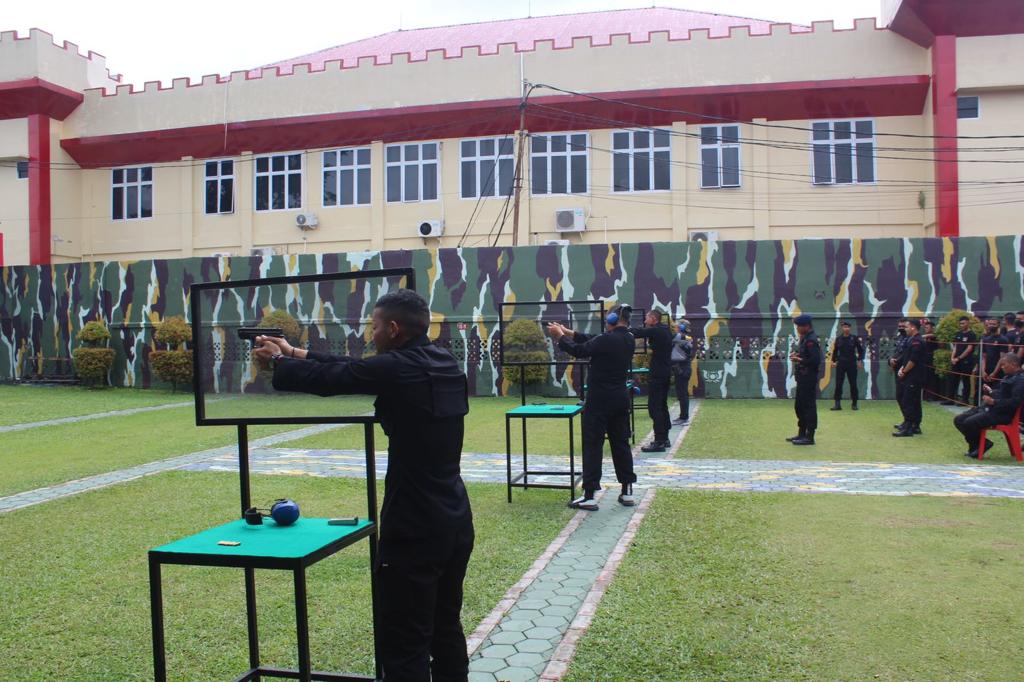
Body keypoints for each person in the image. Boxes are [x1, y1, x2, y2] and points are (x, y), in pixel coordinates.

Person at [253, 289, 474, 682]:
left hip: (414, 524)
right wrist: (296, 352)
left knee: (405, 642)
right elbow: (357, 367)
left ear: (392, 329)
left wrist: (278, 362)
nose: (371, 334)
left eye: (374, 327)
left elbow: (336, 377)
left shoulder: (399, 369)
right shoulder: (443, 360)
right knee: (445, 628)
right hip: (455, 519)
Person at [547, 305, 637, 510]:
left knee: (593, 445)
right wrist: (568, 332)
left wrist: (560, 337)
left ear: (613, 319)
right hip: (620, 399)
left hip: (599, 401)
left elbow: (580, 350)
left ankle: (589, 495)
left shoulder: (606, 339)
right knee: (621, 444)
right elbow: (592, 339)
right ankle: (627, 490)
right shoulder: (628, 338)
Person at [954, 353, 1024, 458]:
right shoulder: (1008, 376)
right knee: (959, 419)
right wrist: (991, 392)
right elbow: (1002, 393)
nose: (1002, 367)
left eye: (1004, 364)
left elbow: (1015, 402)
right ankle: (977, 445)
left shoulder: (1020, 380)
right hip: (992, 408)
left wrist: (994, 402)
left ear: (1014, 364)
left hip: (1003, 414)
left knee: (970, 422)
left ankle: (979, 447)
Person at [630, 310, 674, 452]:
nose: (645, 321)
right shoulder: (664, 330)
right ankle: (664, 438)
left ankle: (659, 441)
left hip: (659, 373)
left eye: (647, 318)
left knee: (655, 407)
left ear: (654, 319)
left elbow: (639, 332)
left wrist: (621, 328)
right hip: (664, 372)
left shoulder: (657, 331)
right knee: (662, 405)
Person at [787, 314, 820, 445]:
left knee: (808, 407)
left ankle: (809, 436)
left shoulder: (811, 340)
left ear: (806, 326)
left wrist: (799, 359)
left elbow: (815, 360)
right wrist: (798, 355)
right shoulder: (805, 338)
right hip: (802, 378)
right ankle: (801, 433)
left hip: (808, 378)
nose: (797, 329)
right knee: (799, 406)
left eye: (799, 326)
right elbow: (806, 355)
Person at [893, 318, 925, 437]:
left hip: (914, 376)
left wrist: (904, 371)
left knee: (909, 401)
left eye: (906, 327)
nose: (904, 329)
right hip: (909, 375)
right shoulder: (911, 340)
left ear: (913, 327)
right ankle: (912, 425)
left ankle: (909, 427)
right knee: (910, 400)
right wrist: (901, 368)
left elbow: (913, 360)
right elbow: (906, 357)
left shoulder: (917, 341)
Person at [830, 320, 864, 411]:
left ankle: (854, 404)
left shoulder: (854, 338)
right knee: (838, 384)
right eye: (844, 327)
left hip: (852, 363)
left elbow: (861, 350)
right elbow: (835, 351)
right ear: (842, 328)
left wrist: (860, 360)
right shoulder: (839, 339)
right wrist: (833, 361)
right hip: (841, 363)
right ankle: (837, 404)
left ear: (850, 328)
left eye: (848, 327)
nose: (846, 329)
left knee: (853, 384)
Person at [946, 316, 977, 406]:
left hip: (966, 361)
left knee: (965, 380)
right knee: (953, 379)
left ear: (968, 323)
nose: (961, 325)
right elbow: (955, 347)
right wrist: (952, 358)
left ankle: (964, 400)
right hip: (956, 361)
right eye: (960, 323)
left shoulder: (972, 334)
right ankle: (950, 399)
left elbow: (969, 349)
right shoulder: (958, 333)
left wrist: (959, 358)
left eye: (963, 323)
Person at [671, 319, 694, 425]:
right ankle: (683, 416)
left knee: (682, 394)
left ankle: (684, 418)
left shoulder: (681, 337)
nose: (676, 327)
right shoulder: (685, 337)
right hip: (682, 368)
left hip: (682, 368)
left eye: (678, 326)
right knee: (681, 394)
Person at [888, 319, 910, 428]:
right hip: (898, 370)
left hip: (906, 371)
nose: (901, 328)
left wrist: (897, 361)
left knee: (906, 398)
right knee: (900, 396)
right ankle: (906, 420)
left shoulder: (910, 339)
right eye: (900, 326)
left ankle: (911, 423)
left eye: (903, 326)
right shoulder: (900, 337)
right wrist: (891, 360)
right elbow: (896, 352)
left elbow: (907, 356)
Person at [980, 317, 1009, 387]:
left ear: (998, 325)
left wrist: (994, 373)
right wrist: (983, 371)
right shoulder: (985, 339)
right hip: (986, 371)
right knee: (985, 393)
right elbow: (983, 357)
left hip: (998, 372)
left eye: (993, 324)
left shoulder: (1003, 339)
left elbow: (1002, 358)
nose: (991, 325)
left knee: (996, 393)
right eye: (990, 324)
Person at [920, 318, 940, 402]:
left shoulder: (935, 336)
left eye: (927, 327)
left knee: (932, 378)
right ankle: (926, 395)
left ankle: (933, 396)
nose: (926, 329)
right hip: (925, 359)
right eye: (925, 328)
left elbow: (933, 335)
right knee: (925, 377)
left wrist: (924, 336)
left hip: (933, 359)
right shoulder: (924, 338)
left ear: (932, 328)